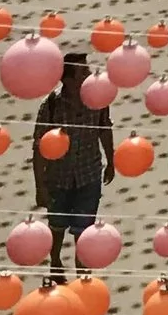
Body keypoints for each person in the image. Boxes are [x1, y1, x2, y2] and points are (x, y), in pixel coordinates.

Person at [30, 51, 113, 277]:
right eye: (82, 72)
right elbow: (39, 147)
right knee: (56, 227)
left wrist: (111, 160)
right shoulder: (52, 105)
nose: (88, 74)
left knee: (83, 231)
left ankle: (82, 274)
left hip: (89, 175)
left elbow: (104, 129)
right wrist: (40, 187)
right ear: (67, 79)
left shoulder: (97, 98)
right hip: (59, 178)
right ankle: (55, 262)